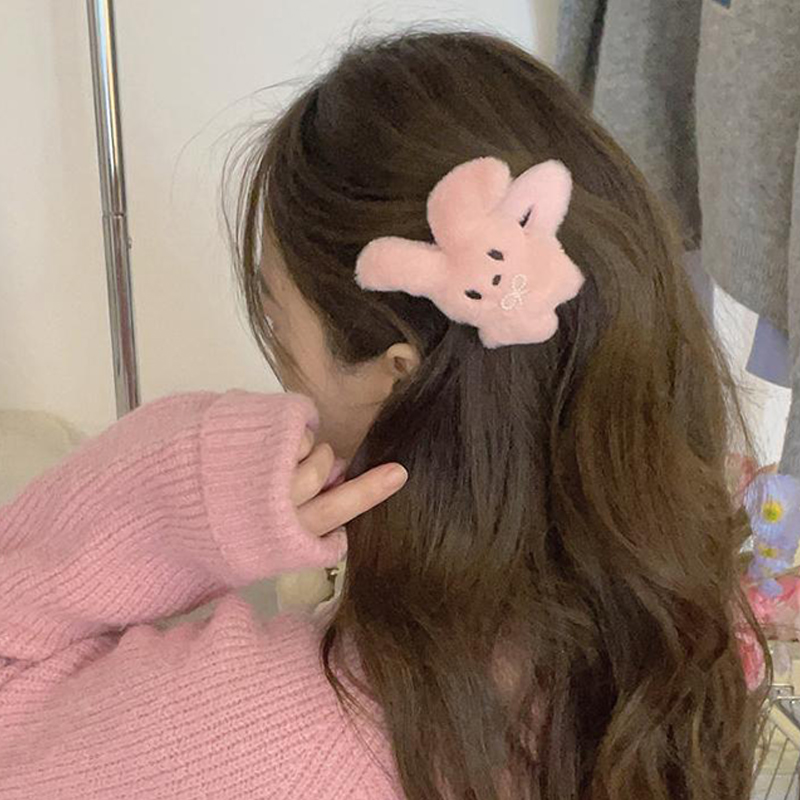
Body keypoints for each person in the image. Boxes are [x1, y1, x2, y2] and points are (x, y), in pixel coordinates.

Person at [0, 29, 769, 800]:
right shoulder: (689, 649)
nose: (279, 373)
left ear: (398, 377)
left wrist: (188, 489)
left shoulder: (272, 732)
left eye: (277, 326)